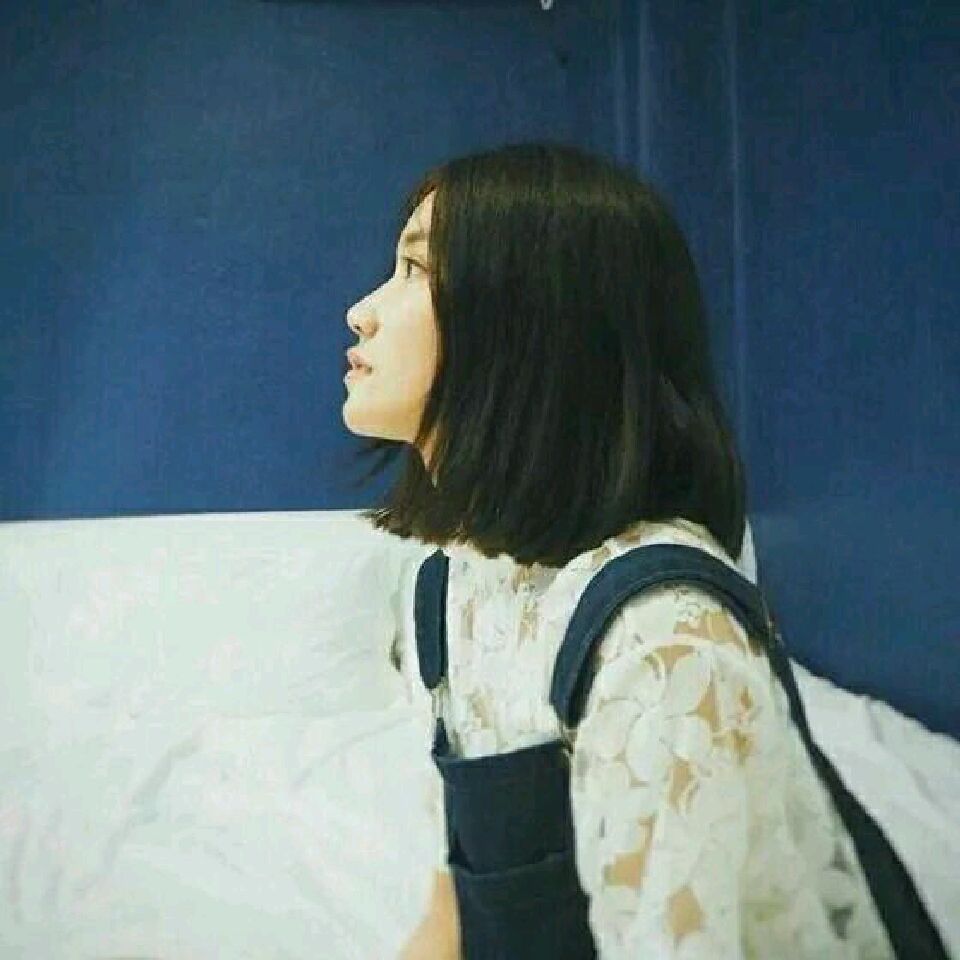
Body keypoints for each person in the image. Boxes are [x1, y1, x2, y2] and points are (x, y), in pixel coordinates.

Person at [340, 142, 898, 958]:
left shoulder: (663, 645)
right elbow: (452, 914)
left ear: (530, 321)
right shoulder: (454, 582)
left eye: (417, 270)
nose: (363, 311)